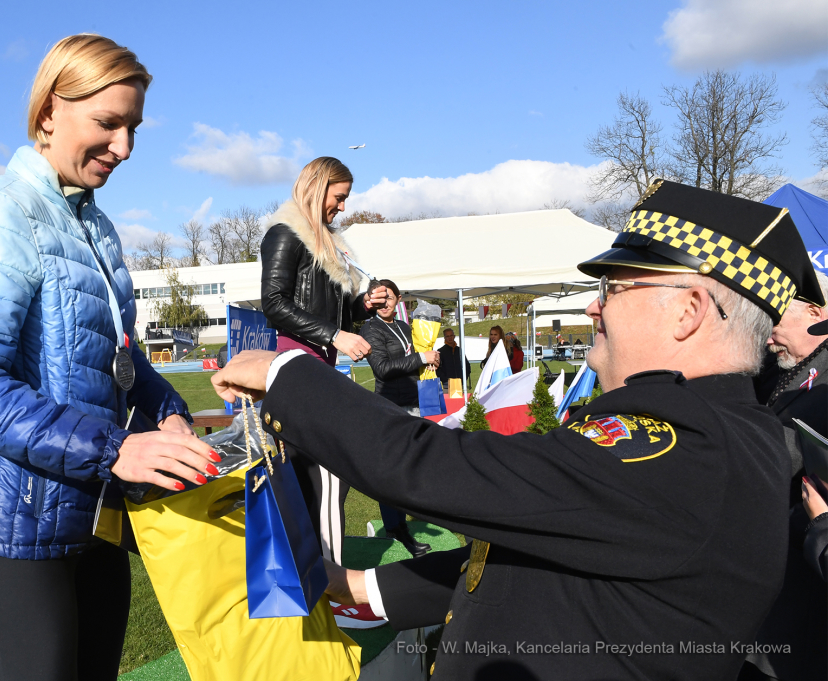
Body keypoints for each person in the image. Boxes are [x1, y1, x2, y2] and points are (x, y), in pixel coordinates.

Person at [212, 179, 825, 679]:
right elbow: (545, 560)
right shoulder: (709, 432)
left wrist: (284, 370)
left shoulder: (688, 447)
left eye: (613, 286)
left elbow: (435, 468)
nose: (593, 306)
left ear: (689, 311)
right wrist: (368, 587)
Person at [0, 35, 217, 681]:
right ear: (50, 110)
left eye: (133, 126)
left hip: (96, 512)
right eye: (108, 123)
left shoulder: (96, 223)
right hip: (14, 525)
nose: (125, 147)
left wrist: (166, 411)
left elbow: (118, 354)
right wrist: (115, 448)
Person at [259, 156, 387, 564]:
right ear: (318, 186)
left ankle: (320, 581)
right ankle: (329, 584)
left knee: (322, 480)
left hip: (316, 370)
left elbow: (334, 313)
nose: (344, 207)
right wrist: (335, 335)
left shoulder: (326, 242)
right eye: (340, 196)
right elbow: (274, 303)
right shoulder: (285, 234)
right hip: (298, 369)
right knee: (329, 476)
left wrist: (363, 305)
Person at [740, 272, 828, 681]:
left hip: (808, 585)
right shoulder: (781, 367)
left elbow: (785, 452)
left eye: (776, 322)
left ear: (815, 311)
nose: (769, 336)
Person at [359, 279, 437, 557]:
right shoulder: (370, 328)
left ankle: (401, 522)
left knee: (411, 467)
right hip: (390, 408)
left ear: (398, 299)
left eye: (388, 297)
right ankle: (396, 526)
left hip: (414, 404)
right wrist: (419, 359)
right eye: (378, 298)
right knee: (393, 471)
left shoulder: (405, 327)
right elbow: (382, 368)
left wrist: (430, 360)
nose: (383, 303)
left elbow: (414, 359)